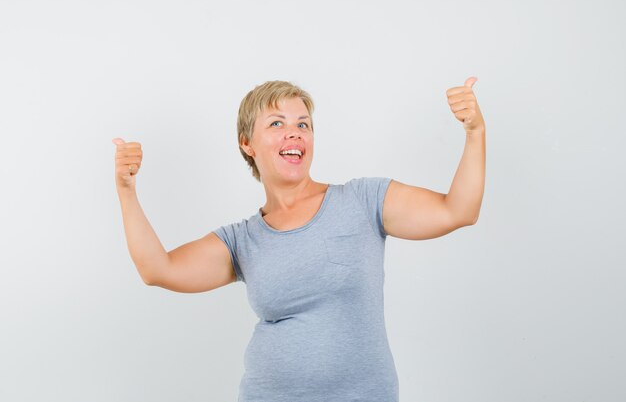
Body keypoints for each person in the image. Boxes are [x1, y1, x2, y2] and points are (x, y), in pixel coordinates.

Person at [112, 78, 486, 401]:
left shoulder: (363, 200)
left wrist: (474, 133)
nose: (294, 132)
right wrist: (127, 190)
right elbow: (157, 269)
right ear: (248, 144)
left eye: (303, 124)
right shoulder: (242, 240)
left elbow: (458, 211)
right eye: (277, 123)